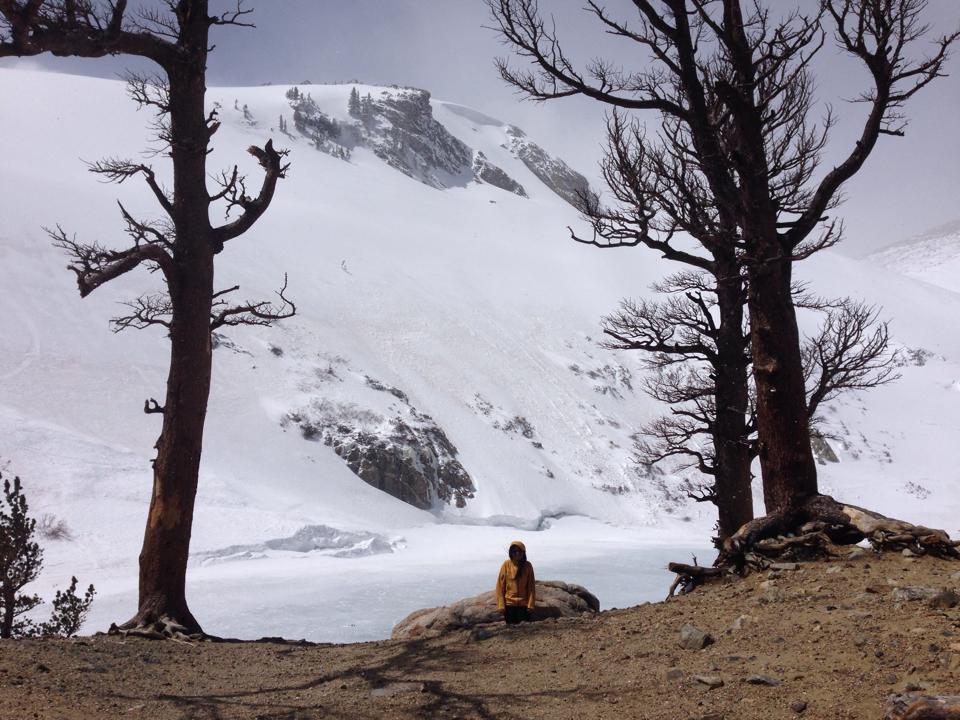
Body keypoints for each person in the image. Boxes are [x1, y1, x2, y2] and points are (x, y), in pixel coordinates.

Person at [495, 540, 535, 623]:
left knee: (524, 633)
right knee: (512, 632)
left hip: (524, 607)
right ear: (511, 552)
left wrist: (530, 604)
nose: (517, 553)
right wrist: (501, 605)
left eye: (519, 551)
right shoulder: (506, 565)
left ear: (523, 552)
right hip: (509, 606)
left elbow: (531, 586)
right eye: (514, 551)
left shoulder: (527, 566)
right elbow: (500, 586)